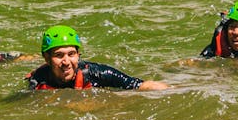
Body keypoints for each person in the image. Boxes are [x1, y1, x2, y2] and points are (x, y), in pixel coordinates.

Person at [26, 25, 169, 90]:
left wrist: (176, 90)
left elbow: (140, 85)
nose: (66, 62)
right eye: (58, 55)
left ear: (78, 55)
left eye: (71, 54)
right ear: (46, 58)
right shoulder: (38, 79)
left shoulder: (98, 73)